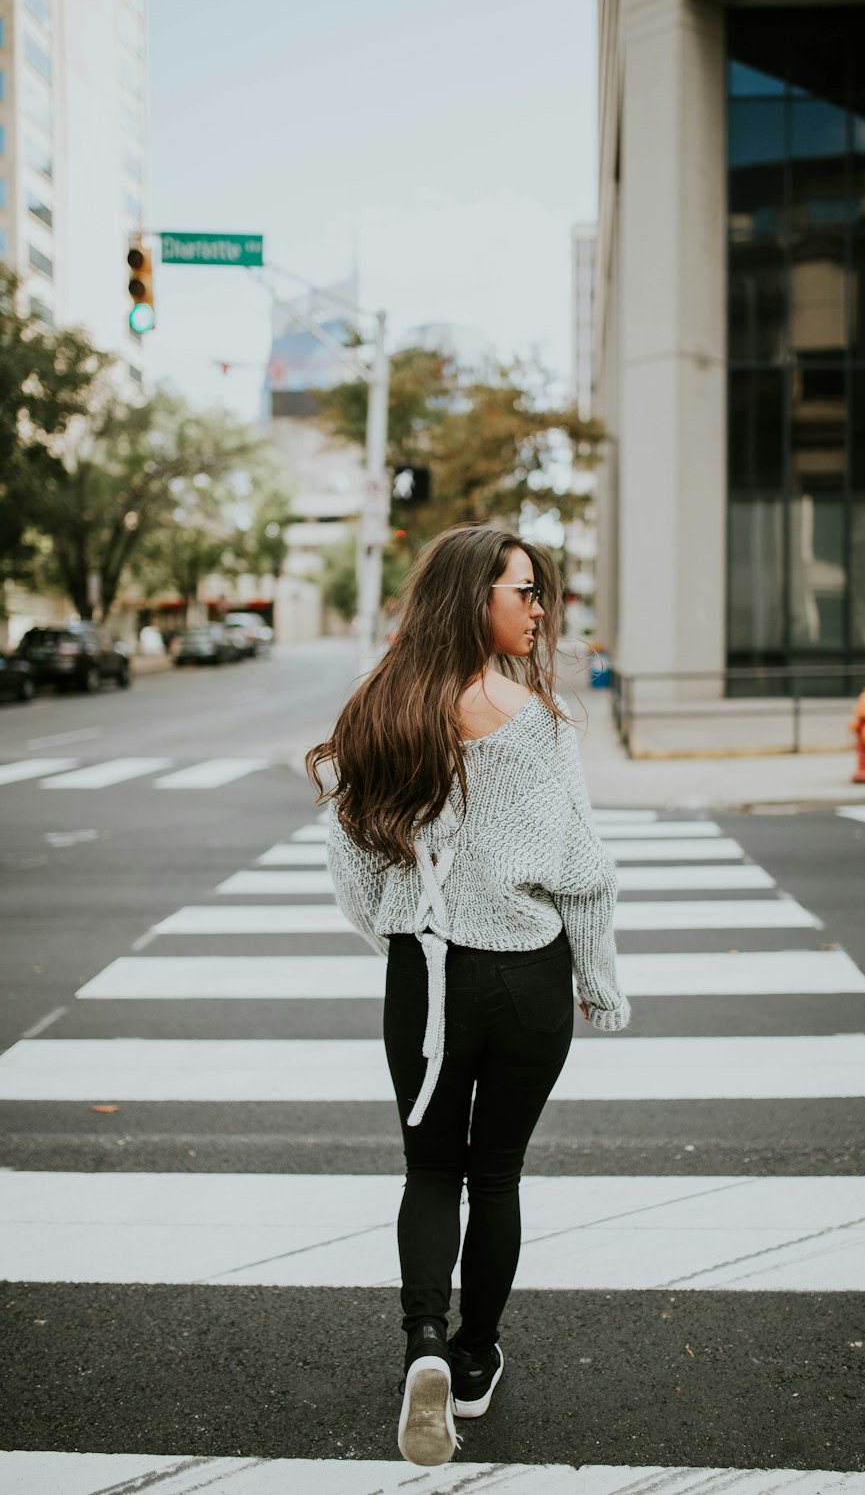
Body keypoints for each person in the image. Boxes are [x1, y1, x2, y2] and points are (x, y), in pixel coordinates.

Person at [305, 524, 629, 1467]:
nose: (537, 609)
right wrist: (599, 986)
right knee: (497, 1175)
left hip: (426, 973)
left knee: (428, 1170)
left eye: (538, 593)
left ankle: (423, 1346)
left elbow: (349, 858)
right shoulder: (538, 723)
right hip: (527, 978)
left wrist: (400, 937)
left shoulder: (383, 709)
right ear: (472, 597)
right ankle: (477, 1362)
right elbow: (584, 874)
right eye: (521, 591)